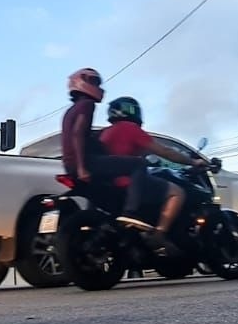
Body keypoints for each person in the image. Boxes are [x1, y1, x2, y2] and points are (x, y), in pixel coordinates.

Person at [98, 97, 207, 255]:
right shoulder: (130, 128)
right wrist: (192, 161)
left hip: (110, 183)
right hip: (130, 182)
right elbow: (164, 152)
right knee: (177, 192)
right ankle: (160, 233)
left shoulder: (105, 133)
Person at [58, 68, 148, 224]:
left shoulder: (70, 110)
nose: (99, 87)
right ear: (81, 82)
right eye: (94, 82)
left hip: (69, 164)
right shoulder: (87, 105)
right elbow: (78, 134)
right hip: (85, 162)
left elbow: (79, 134)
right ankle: (131, 212)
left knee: (102, 185)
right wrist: (82, 168)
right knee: (139, 164)